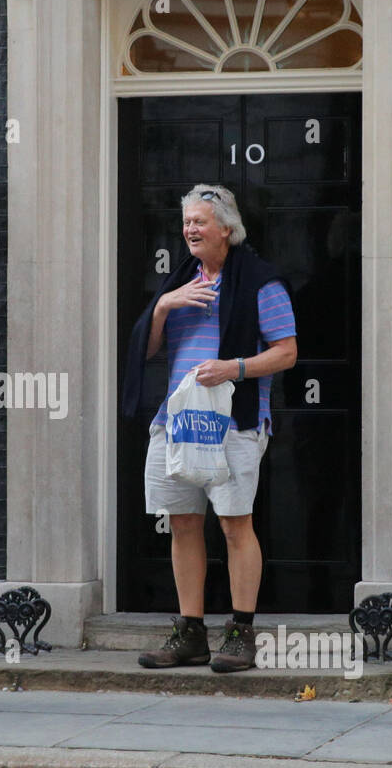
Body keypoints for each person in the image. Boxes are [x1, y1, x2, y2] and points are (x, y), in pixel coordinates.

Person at [121, 184, 298, 672]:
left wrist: (233, 368)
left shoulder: (262, 282)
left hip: (233, 422)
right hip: (177, 422)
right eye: (187, 222)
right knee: (181, 522)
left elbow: (287, 352)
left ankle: (241, 633)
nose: (190, 230)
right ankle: (190, 632)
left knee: (235, 523)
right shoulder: (179, 283)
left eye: (200, 222)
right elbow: (150, 351)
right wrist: (161, 308)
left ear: (227, 229)